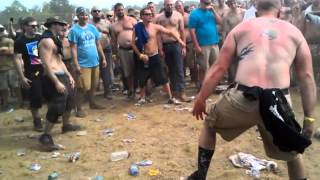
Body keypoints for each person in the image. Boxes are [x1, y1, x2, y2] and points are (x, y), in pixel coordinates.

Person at [188, 0, 317, 179]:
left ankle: (200, 175)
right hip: (277, 102)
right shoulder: (294, 33)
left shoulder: (242, 28)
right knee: (293, 152)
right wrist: (309, 118)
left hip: (242, 98)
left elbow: (218, 68)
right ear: (279, 12)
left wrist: (201, 99)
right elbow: (307, 77)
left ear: (256, 11)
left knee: (209, 124)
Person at [38, 17, 81, 151]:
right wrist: (56, 82)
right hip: (53, 76)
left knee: (70, 101)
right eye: (61, 24)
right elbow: (45, 64)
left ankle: (66, 125)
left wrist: (69, 76)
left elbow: (59, 60)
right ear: (53, 25)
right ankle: (46, 136)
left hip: (62, 75)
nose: (63, 27)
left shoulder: (55, 40)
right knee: (57, 106)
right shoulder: (46, 41)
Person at [131, 7, 185, 105]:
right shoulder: (137, 27)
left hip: (154, 56)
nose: (150, 16)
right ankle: (142, 98)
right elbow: (133, 43)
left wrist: (180, 40)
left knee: (163, 78)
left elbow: (170, 32)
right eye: (147, 14)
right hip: (144, 57)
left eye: (151, 14)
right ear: (142, 16)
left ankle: (170, 97)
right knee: (142, 78)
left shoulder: (155, 27)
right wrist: (140, 55)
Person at [68, 7, 107, 118]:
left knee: (94, 85)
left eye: (85, 15)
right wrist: (76, 64)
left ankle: (92, 103)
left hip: (95, 62)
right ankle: (78, 108)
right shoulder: (74, 30)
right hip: (83, 64)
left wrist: (103, 58)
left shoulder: (92, 28)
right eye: (81, 15)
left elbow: (98, 44)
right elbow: (73, 48)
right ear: (77, 16)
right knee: (82, 87)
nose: (84, 17)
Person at [14, 17, 44, 131]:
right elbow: (16, 59)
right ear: (25, 27)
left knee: (50, 94)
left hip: (45, 71)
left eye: (36, 25)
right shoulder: (20, 41)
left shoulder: (40, 37)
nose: (35, 27)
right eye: (32, 26)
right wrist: (21, 77)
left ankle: (52, 115)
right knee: (35, 97)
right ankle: (37, 120)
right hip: (32, 72)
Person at [157, 0, 190, 102]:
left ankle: (182, 92)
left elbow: (182, 32)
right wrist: (160, 48)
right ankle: (174, 92)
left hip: (176, 45)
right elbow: (158, 34)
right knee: (170, 70)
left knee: (179, 69)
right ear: (164, 5)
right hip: (165, 46)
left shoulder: (178, 16)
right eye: (168, 5)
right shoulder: (159, 18)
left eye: (171, 5)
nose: (170, 6)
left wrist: (183, 46)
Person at [189, 0, 222, 90]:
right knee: (203, 67)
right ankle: (202, 86)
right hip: (203, 45)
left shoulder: (211, 12)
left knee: (214, 66)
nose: (208, 5)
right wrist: (196, 45)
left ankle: (212, 85)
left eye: (209, 3)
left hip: (214, 43)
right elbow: (192, 31)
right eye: (206, 3)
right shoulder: (194, 14)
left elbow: (220, 22)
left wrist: (214, 10)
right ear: (201, 2)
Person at [110, 3, 137, 100]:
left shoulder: (132, 20)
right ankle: (131, 91)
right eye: (118, 10)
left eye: (121, 9)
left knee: (138, 70)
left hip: (135, 49)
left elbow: (140, 32)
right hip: (123, 51)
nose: (120, 11)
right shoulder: (113, 26)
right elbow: (113, 42)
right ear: (115, 12)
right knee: (127, 72)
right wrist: (114, 54)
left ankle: (142, 91)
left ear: (124, 10)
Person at [90, 6, 114, 100]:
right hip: (92, 50)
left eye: (98, 11)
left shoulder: (107, 23)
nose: (97, 12)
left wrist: (114, 50)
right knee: (93, 71)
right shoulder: (88, 24)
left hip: (106, 49)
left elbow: (112, 36)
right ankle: (91, 93)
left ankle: (107, 92)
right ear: (91, 13)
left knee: (106, 71)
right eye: (94, 11)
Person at [175, 0, 198, 86]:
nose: (178, 8)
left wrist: (196, 43)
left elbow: (195, 29)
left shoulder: (189, 16)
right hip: (178, 44)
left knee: (192, 63)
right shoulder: (174, 17)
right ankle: (182, 82)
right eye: (176, 7)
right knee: (180, 64)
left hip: (190, 43)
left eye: (179, 6)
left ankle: (194, 80)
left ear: (182, 6)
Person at [222, 0, 245, 83]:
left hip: (242, 41)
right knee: (232, 62)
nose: (233, 4)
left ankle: (241, 81)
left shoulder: (243, 13)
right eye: (231, 3)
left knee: (242, 60)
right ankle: (232, 81)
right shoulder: (226, 16)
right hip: (232, 41)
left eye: (234, 2)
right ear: (228, 4)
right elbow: (224, 32)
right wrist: (225, 44)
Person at [0, 24, 21, 110]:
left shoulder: (9, 41)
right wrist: (3, 49)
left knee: (15, 86)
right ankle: (5, 104)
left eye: (1, 30)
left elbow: (11, 51)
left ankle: (20, 102)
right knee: (3, 88)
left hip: (11, 67)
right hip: (1, 69)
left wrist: (4, 49)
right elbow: (7, 51)